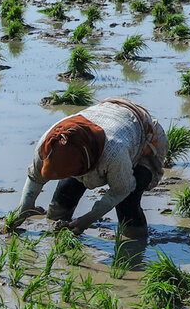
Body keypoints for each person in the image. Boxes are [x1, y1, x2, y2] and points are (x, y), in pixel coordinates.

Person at [13, 97, 168, 235]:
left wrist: (88, 219)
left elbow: (121, 190)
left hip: (143, 137)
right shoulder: (49, 142)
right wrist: (24, 207)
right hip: (102, 120)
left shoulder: (114, 153)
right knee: (64, 196)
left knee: (127, 203)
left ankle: (135, 243)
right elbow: (35, 177)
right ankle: (57, 227)